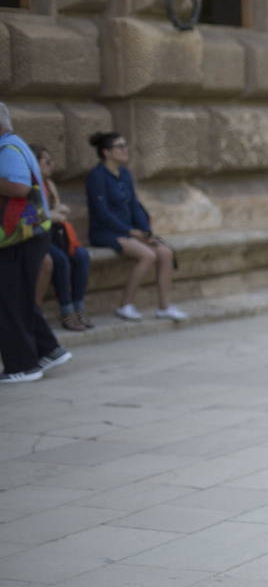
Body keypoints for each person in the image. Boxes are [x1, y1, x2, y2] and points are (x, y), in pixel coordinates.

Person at [0, 105, 71, 384]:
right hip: (30, 232)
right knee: (17, 299)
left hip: (18, 236)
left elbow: (18, 188)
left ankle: (22, 366)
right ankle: (49, 350)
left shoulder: (7, 150)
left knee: (9, 304)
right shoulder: (15, 144)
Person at [85, 131, 188, 322]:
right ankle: (126, 305)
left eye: (125, 145)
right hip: (106, 232)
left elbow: (134, 204)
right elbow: (102, 212)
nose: (125, 150)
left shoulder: (125, 173)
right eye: (120, 146)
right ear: (106, 152)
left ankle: (164, 307)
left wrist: (145, 231)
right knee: (147, 255)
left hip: (130, 232)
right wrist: (130, 231)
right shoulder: (96, 176)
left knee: (165, 252)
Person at [32, 145, 94, 331]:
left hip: (56, 234)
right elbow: (30, 218)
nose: (51, 165)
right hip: (37, 237)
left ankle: (78, 308)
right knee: (60, 260)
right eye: (47, 162)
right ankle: (66, 312)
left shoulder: (49, 184)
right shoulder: (27, 186)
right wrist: (52, 214)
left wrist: (58, 211)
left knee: (82, 255)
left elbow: (57, 210)